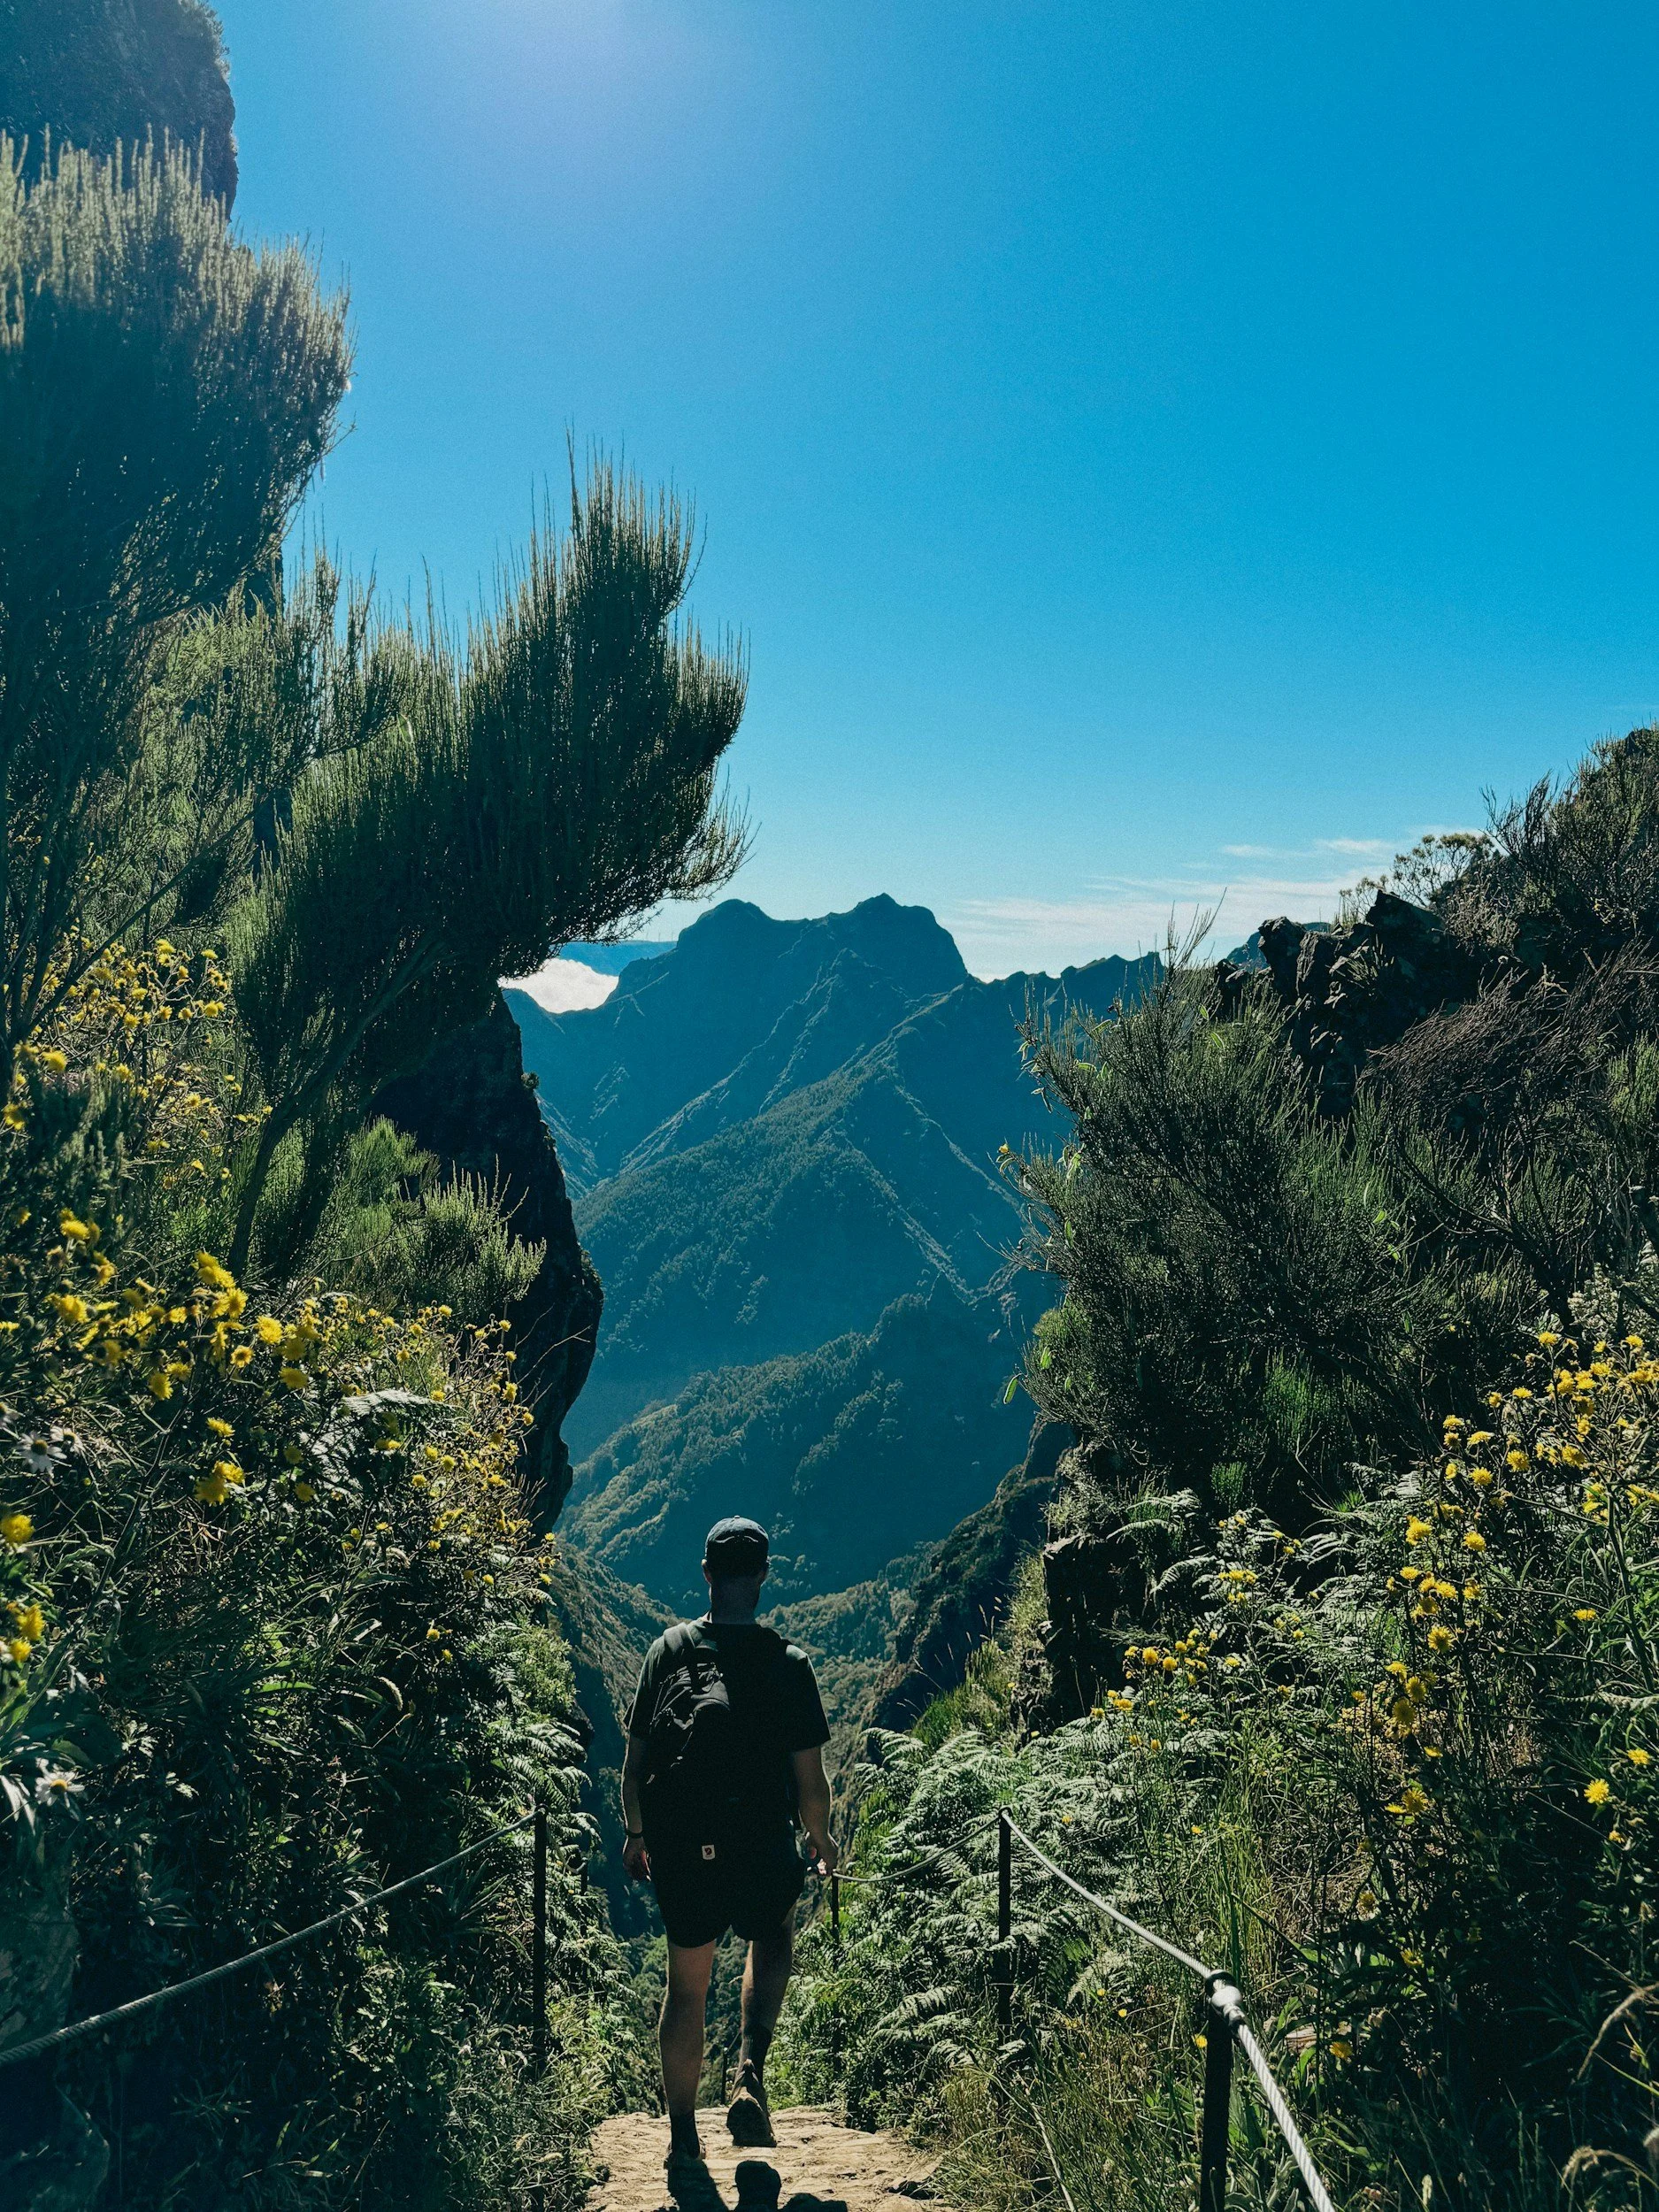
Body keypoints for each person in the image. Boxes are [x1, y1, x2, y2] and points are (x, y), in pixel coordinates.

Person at [622, 1516, 837, 2178]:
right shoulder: (788, 1664)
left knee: (686, 1987)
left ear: (708, 1573)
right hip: (761, 1843)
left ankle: (683, 2134)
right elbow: (810, 1784)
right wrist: (821, 1840)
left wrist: (637, 1834)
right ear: (763, 1576)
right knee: (771, 1934)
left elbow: (634, 1768)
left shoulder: (668, 1651)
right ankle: (749, 2070)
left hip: (684, 1845)